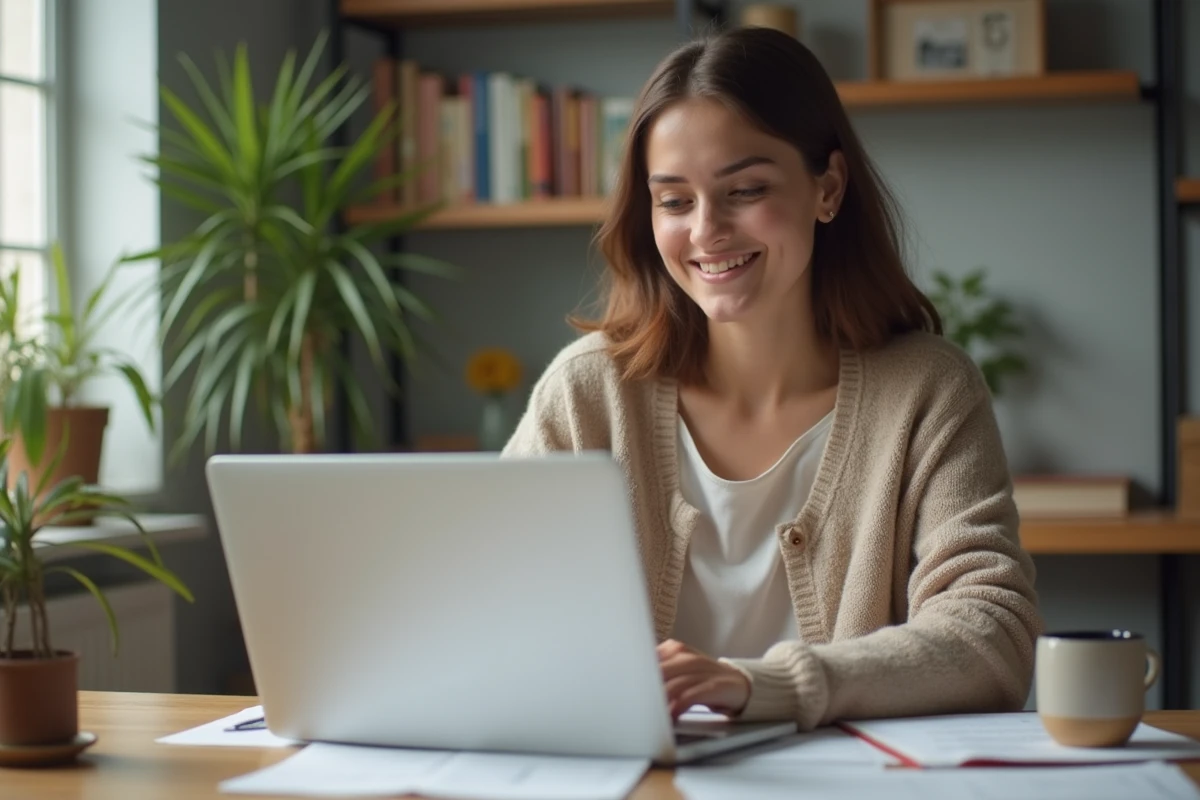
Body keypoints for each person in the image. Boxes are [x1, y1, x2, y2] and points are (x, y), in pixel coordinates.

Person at [501, 25, 1042, 730]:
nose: (706, 231)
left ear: (829, 187)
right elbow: (491, 609)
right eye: (673, 200)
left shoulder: (927, 391)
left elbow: (990, 636)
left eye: (745, 189)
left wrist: (763, 684)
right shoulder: (587, 393)